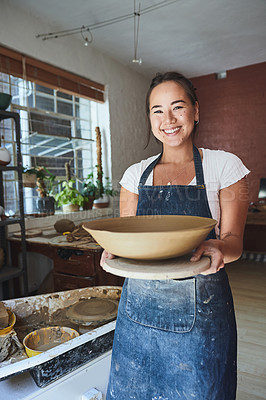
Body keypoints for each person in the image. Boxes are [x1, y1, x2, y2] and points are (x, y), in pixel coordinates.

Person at [101, 72, 250, 400]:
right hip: (137, 312)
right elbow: (130, 240)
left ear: (196, 111)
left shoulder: (224, 166)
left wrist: (216, 247)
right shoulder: (134, 176)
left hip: (202, 312)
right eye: (157, 110)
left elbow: (234, 243)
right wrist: (113, 249)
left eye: (177, 107)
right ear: (149, 118)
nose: (167, 119)